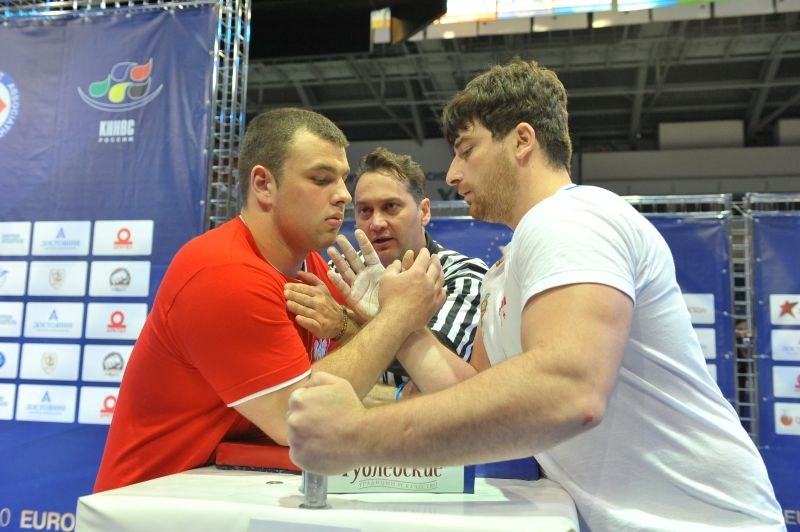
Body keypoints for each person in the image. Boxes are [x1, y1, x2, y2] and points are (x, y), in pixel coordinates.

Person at [285, 60, 785, 530]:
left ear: (522, 140)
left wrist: (357, 438)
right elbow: (472, 395)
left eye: (466, 149)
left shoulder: (572, 218)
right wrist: (398, 325)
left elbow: (567, 391)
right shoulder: (507, 264)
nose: (454, 173)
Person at [93, 108, 445, 492]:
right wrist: (396, 318)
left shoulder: (311, 265)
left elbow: (329, 383)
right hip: (147, 507)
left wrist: (399, 393)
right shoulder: (222, 272)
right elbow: (297, 418)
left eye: (343, 180)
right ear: (263, 184)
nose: (344, 195)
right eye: (322, 179)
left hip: (220, 497)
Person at [285, 147, 487, 402]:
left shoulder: (463, 275)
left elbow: (437, 370)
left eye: (390, 207)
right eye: (365, 211)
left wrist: (344, 326)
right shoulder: (338, 274)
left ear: (423, 212)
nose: (376, 223)